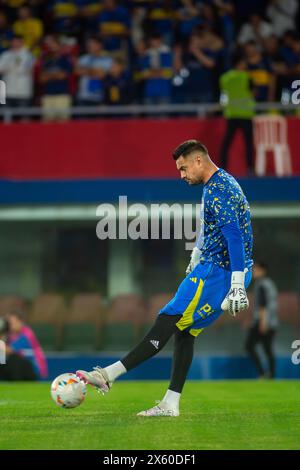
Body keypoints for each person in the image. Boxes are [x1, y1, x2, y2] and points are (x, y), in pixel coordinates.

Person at [76, 139, 253, 417]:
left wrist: (237, 284)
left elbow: (234, 237)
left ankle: (107, 375)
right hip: (216, 267)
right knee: (185, 332)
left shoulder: (219, 190)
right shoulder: (220, 183)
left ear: (198, 160)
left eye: (183, 169)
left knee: (168, 318)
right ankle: (170, 404)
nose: (182, 176)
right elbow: (214, 227)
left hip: (218, 272)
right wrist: (197, 251)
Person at [219, 53, 255, 173]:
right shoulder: (246, 76)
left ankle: (222, 168)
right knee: (249, 144)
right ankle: (250, 168)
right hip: (245, 114)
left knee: (226, 143)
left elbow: (223, 94)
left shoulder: (224, 78)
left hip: (231, 114)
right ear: (240, 63)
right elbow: (254, 92)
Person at [245, 261, 278, 379]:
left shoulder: (262, 284)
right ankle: (270, 375)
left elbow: (263, 305)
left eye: (256, 269)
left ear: (263, 271)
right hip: (271, 321)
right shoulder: (270, 283)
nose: (254, 272)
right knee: (267, 349)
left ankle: (264, 374)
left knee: (250, 346)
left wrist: (263, 322)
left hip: (264, 322)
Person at [0, 34, 34, 108]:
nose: (15, 43)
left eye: (17, 42)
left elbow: (24, 69)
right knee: (6, 116)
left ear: (22, 42)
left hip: (23, 92)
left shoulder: (28, 55)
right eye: (13, 41)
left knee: (24, 116)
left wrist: (8, 68)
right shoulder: (5, 55)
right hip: (7, 91)